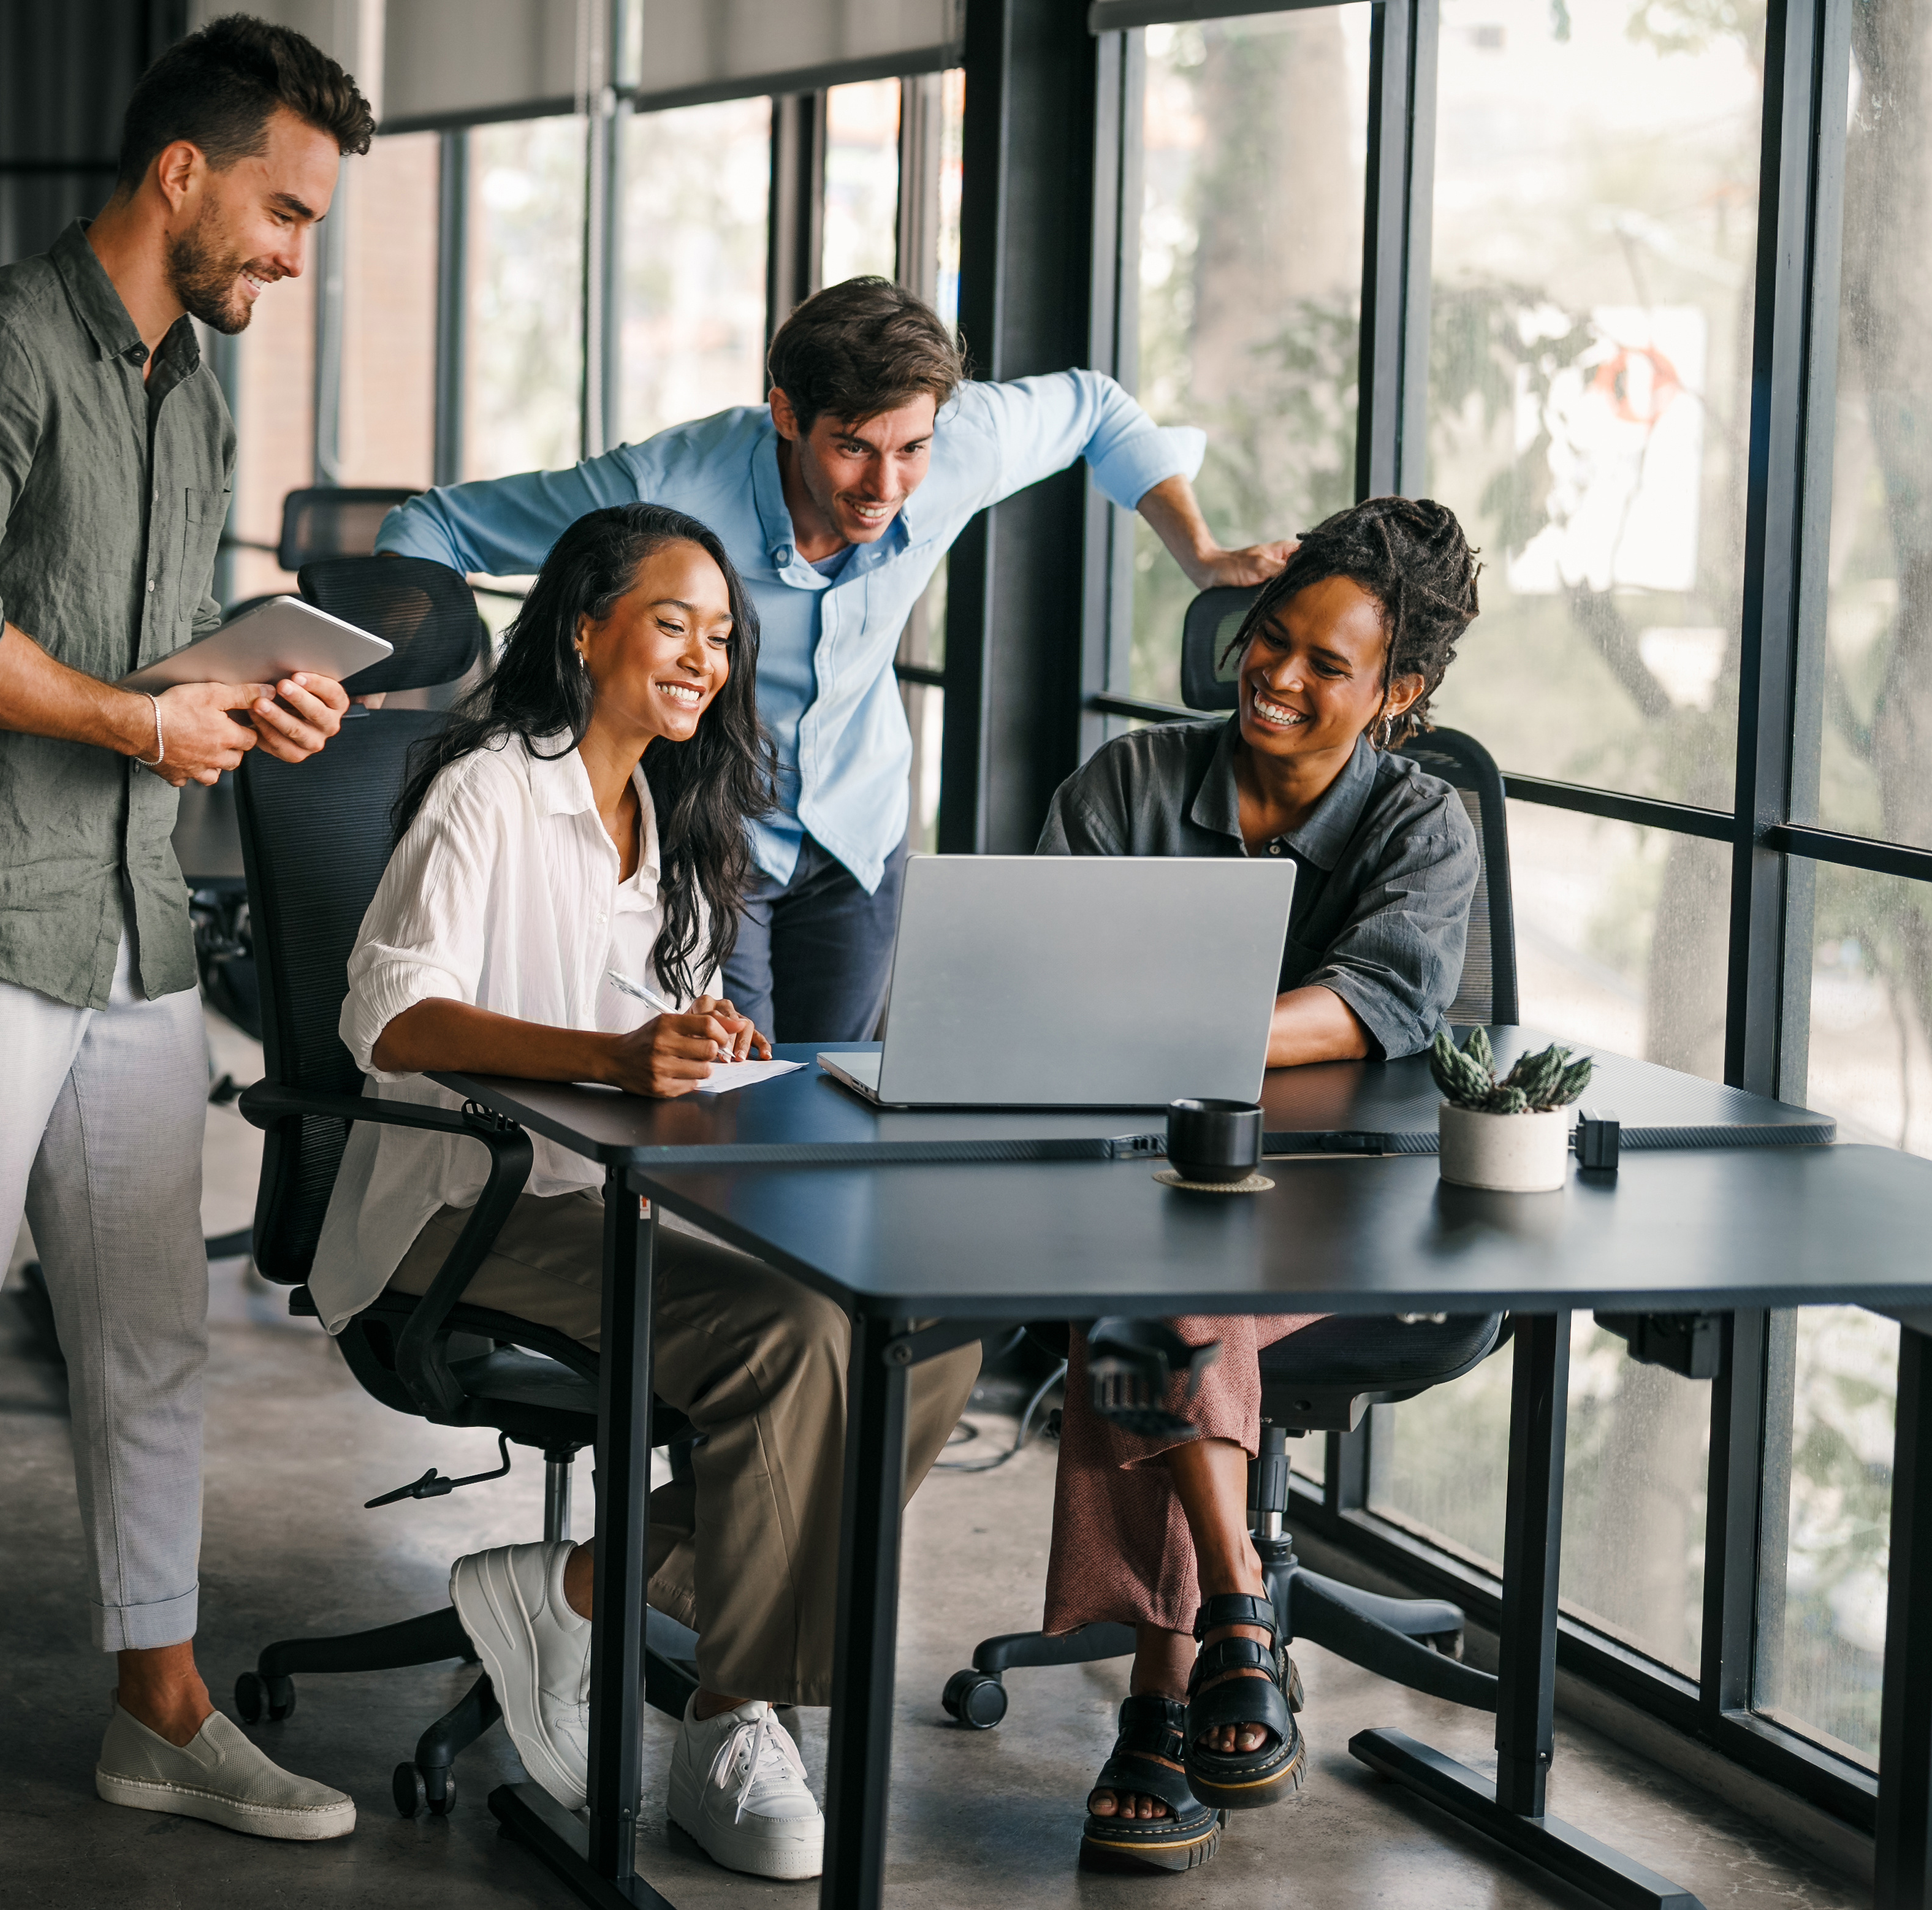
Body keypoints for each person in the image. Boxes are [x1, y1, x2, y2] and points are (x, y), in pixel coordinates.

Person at [0, 15, 373, 1854]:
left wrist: (248, 692)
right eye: (283, 210)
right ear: (180, 172)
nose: (294, 253)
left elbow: (142, 642)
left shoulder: (189, 384)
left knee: (153, 1339)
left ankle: (162, 1706)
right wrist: (144, 722)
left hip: (130, 919)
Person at [310, 503, 980, 1884]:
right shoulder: (492, 787)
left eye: (722, 635)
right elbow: (389, 1013)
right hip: (466, 1212)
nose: (703, 656)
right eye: (671, 623)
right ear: (583, 630)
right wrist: (615, 1054)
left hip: (618, 1196)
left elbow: (646, 1028)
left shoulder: (667, 815)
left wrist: (697, 1039)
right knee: (791, 1339)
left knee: (926, 1324)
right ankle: (740, 1712)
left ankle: (577, 1591)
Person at [376, 278, 1299, 1042]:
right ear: (786, 413)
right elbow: (435, 526)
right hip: (711, 834)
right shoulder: (662, 488)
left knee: (833, 1106)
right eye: (853, 448)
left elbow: (1100, 407)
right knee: (729, 1111)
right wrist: (413, 707)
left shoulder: (957, 445)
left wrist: (1203, 555)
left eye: (910, 451)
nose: (886, 487)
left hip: (860, 836)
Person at [1034, 496, 1486, 1876]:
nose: (1275, 676)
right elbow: (1042, 972)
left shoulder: (1425, 822)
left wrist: (1166, 1018)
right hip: (1143, 1198)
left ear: (1397, 693)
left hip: (1353, 1216)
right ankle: (1238, 1619)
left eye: (1325, 664)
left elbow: (1373, 1007)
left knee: (1151, 1300)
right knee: (1164, 1277)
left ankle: (1159, 1708)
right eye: (1268, 638)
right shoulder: (1129, 781)